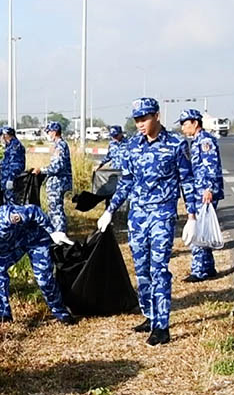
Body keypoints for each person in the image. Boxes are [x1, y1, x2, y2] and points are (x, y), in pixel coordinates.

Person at [97, 98, 199, 346]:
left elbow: (187, 181)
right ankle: (150, 315)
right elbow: (127, 181)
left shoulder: (176, 144)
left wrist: (193, 217)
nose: (140, 124)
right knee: (141, 269)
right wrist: (110, 210)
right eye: (137, 120)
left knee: (159, 269)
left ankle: (162, 326)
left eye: (145, 118)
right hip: (138, 216)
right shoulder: (133, 146)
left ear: (157, 116)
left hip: (162, 215)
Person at [0, 204, 76, 326]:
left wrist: (53, 231)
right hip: (15, 247)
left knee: (43, 278)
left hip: (36, 239)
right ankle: (3, 316)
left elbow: (33, 211)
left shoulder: (4, 219)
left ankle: (61, 313)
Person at [178, 108, 224, 282]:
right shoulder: (197, 141)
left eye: (184, 124)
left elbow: (210, 166)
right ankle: (209, 268)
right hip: (201, 190)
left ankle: (199, 271)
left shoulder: (205, 141)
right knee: (203, 229)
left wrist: (209, 189)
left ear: (195, 123)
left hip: (205, 192)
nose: (183, 128)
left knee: (198, 230)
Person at [34, 121, 73, 232]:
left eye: (49, 132)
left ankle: (60, 234)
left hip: (58, 183)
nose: (48, 134)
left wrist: (41, 170)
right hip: (57, 183)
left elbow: (56, 167)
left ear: (54, 132)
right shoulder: (58, 145)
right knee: (54, 209)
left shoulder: (60, 145)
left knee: (56, 210)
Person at [0, 126, 26, 203]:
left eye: (1, 136)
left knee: (12, 201)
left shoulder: (15, 146)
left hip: (11, 178)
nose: (0, 139)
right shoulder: (10, 146)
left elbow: (13, 164)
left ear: (6, 135)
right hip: (8, 177)